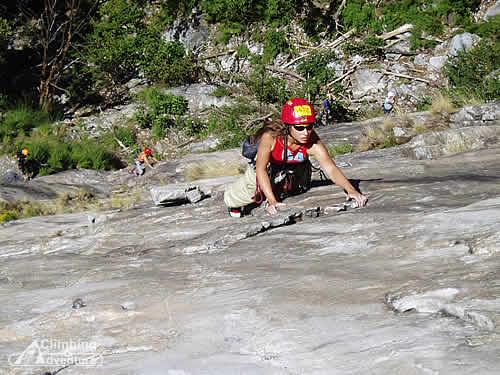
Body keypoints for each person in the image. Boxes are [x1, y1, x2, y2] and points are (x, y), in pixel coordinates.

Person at [224, 98, 367, 217]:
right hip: (266, 167)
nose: (306, 132)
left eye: (310, 126)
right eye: (299, 128)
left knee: (295, 188)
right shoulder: (271, 138)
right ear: (288, 127)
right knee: (248, 192)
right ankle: (233, 202)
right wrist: (272, 201)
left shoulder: (313, 143)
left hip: (291, 168)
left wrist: (351, 190)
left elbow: (330, 168)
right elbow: (261, 169)